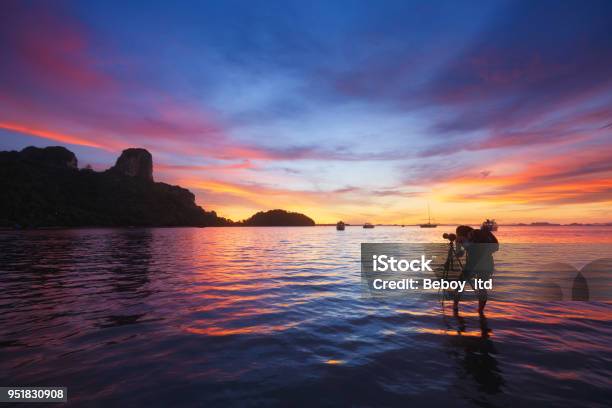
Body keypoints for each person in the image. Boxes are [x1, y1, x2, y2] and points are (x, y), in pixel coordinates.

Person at [453, 225, 499, 315]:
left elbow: (490, 248)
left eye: (458, 235)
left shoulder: (477, 235)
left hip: (482, 264)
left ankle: (478, 311)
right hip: (481, 264)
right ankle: (478, 311)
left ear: (464, 234)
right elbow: (460, 254)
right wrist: (456, 246)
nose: (458, 237)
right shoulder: (462, 239)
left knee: (478, 287)